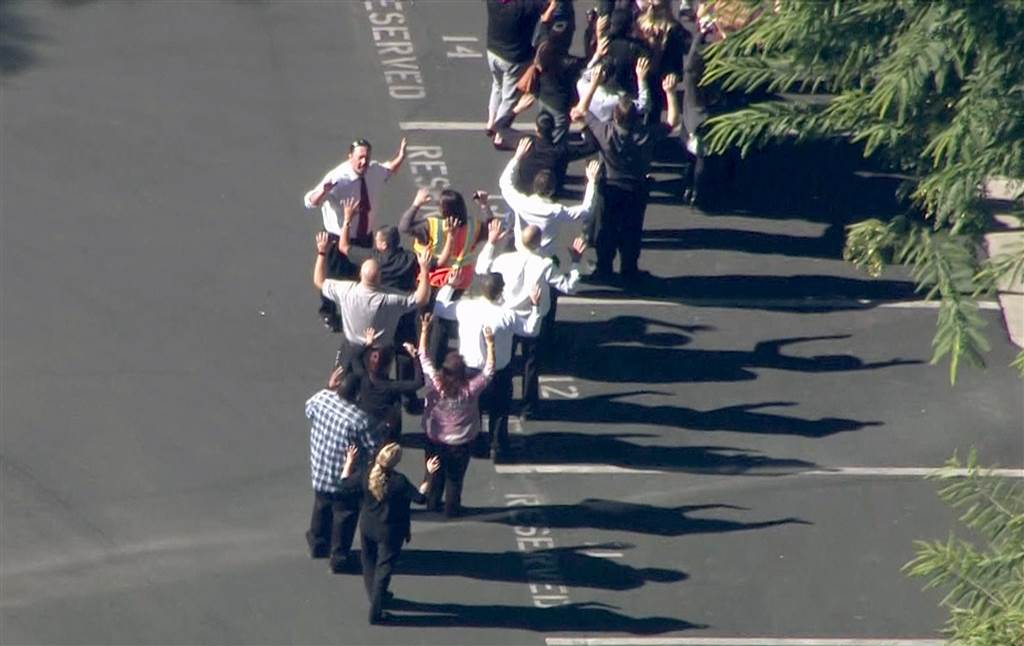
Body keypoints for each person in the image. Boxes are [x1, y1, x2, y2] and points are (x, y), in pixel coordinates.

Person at [575, 60, 679, 283]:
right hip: (636, 189)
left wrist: (593, 85)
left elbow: (580, 112)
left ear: (615, 117)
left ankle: (604, 268)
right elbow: (672, 122)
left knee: (606, 228)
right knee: (632, 230)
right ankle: (629, 269)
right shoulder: (645, 134)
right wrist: (669, 93)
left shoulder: (605, 131)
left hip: (609, 188)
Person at [475, 220, 586, 420]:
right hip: (532, 317)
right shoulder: (544, 264)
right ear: (539, 243)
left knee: (501, 362)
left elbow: (481, 268)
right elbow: (569, 286)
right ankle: (528, 407)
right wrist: (576, 262)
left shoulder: (503, 260)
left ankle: (493, 400)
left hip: (507, 318)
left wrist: (491, 243)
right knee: (531, 364)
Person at [432, 273, 542, 460]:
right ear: (500, 291)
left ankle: (475, 445)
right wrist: (535, 306)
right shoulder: (507, 315)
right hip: (499, 371)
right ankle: (498, 447)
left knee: (473, 410)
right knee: (499, 410)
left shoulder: (465, 308)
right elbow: (532, 329)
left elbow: (439, 308)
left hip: (469, 371)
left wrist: (450, 285)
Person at [304, 138, 408, 329]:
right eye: (359, 158)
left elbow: (389, 170)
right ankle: (328, 312)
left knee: (360, 275)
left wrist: (400, 157)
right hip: (337, 236)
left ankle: (355, 311)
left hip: (363, 236)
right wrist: (322, 192)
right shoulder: (337, 178)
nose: (363, 162)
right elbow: (309, 202)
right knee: (332, 276)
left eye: (366, 158)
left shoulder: (374, 170)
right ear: (350, 157)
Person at [339, 443, 441, 624]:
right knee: (383, 569)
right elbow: (420, 497)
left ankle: (375, 596)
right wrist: (429, 474)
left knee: (368, 563)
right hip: (390, 531)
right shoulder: (399, 482)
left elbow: (345, 482)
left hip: (368, 526)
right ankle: (376, 610)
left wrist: (349, 462)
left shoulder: (367, 474)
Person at [337, 202, 421, 400]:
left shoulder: (372, 258)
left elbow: (343, 246)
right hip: (404, 310)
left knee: (370, 353)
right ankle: (408, 394)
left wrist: (347, 219)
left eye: (377, 240)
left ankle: (364, 386)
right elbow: (435, 262)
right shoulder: (409, 258)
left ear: (383, 244)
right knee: (406, 352)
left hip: (381, 314)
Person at [312, 231, 431, 368]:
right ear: (379, 277)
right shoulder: (391, 299)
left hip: (352, 348)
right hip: (379, 356)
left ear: (360, 274)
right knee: (379, 380)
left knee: (340, 377)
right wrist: (424, 270)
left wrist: (322, 252)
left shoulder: (346, 291)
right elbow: (421, 298)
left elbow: (319, 281)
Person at [304, 366, 382, 574]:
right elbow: (375, 446)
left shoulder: (322, 399)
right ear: (357, 395)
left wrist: (328, 387)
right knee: (344, 516)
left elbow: (308, 409)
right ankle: (338, 558)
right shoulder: (359, 420)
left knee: (321, 507)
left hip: (320, 471)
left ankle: (317, 544)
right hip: (345, 479)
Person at [416, 313, 495, 517]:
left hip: (434, 438)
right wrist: (490, 344)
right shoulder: (470, 389)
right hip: (461, 442)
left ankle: (432, 501)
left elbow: (423, 357)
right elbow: (489, 371)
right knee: (455, 478)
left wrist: (425, 330)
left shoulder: (434, 383)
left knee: (434, 472)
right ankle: (452, 508)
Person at [499, 137, 600, 258]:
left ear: (535, 186)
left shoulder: (520, 202)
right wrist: (591, 181)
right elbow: (586, 210)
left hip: (520, 252)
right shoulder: (555, 211)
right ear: (551, 191)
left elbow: (504, 182)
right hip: (545, 257)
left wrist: (517, 157)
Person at [398, 188, 490, 293]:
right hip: (462, 279)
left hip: (434, 280)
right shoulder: (474, 226)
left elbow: (404, 227)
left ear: (443, 210)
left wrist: (416, 203)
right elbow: (493, 229)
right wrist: (484, 205)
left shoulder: (431, 226)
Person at [350, 327, 424, 442]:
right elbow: (418, 383)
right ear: (388, 368)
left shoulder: (363, 376)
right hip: (386, 424)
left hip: (366, 418)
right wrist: (415, 357)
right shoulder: (391, 386)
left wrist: (368, 344)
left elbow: (355, 357)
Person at [485, 0, 548, 135]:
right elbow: (546, 5)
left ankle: (491, 121)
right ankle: (499, 128)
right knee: (509, 98)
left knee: (497, 85)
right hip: (513, 59)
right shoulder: (524, 7)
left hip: (492, 51)